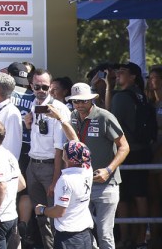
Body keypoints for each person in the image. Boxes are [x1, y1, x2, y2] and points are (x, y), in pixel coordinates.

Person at [65, 83, 129, 249]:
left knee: (104, 232)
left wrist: (109, 170)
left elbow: (124, 146)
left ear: (92, 100)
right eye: (76, 102)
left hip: (106, 184)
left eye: (84, 101)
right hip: (82, 183)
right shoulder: (72, 116)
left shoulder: (104, 116)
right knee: (84, 230)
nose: (79, 105)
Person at [22, 70, 71, 249]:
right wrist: (28, 125)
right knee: (40, 216)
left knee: (54, 217)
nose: (41, 90)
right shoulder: (33, 104)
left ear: (50, 87)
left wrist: (55, 179)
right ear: (31, 86)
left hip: (51, 167)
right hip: (33, 165)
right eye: (37, 87)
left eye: (45, 87)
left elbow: (60, 149)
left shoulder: (59, 108)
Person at [110, 61, 154, 249]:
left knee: (126, 197)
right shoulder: (142, 96)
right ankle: (141, 238)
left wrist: (108, 89)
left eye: (123, 71)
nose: (118, 73)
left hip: (126, 152)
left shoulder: (121, 98)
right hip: (143, 150)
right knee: (139, 195)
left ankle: (127, 237)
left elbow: (110, 123)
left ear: (133, 76)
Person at [33, 141, 93, 249]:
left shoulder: (65, 180)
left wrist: (42, 210)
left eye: (64, 151)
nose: (62, 153)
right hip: (86, 235)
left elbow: (59, 212)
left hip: (69, 238)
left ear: (68, 157)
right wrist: (65, 124)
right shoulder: (88, 171)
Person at [0, 119, 25, 249]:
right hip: (11, 215)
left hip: (0, 219)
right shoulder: (9, 154)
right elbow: (21, 183)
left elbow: (1, 186)